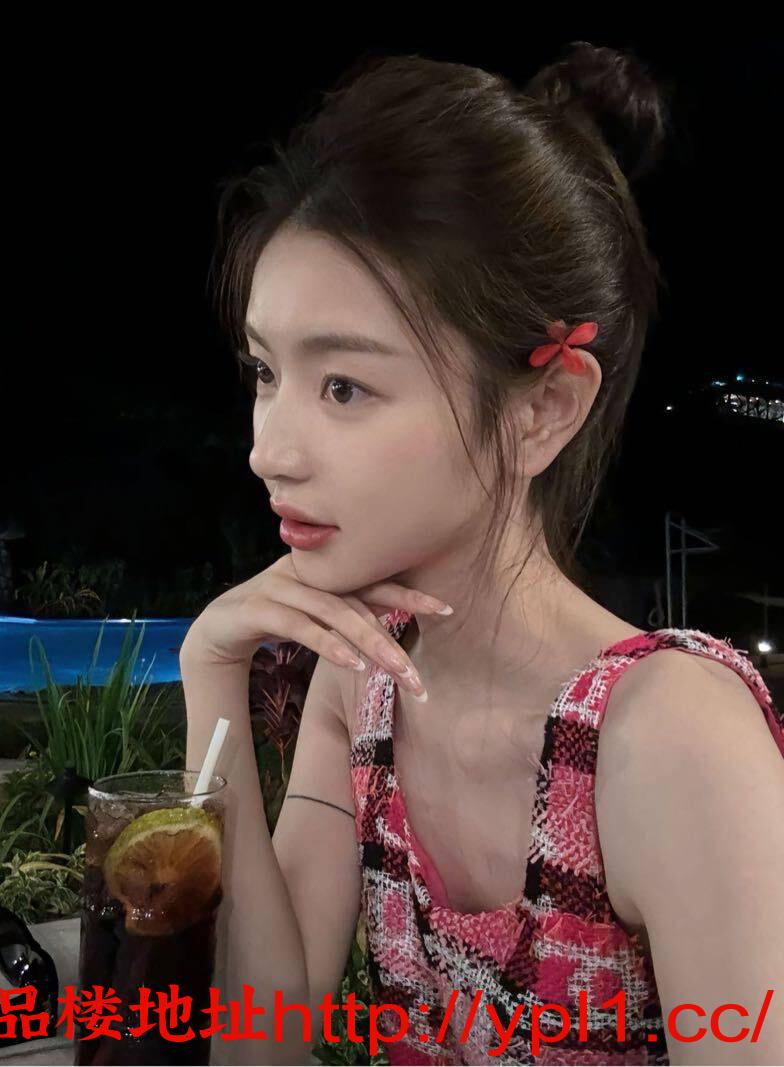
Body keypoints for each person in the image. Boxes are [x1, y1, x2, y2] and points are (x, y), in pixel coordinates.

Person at [183, 43, 784, 1065]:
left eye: (343, 387)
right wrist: (211, 670)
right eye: (264, 372)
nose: (267, 450)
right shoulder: (360, 682)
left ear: (541, 409)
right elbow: (261, 1044)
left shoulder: (668, 737)